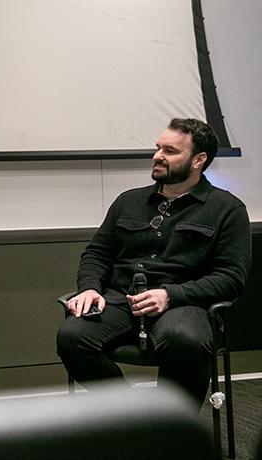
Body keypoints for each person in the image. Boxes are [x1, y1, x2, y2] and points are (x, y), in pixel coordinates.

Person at [56, 118, 251, 406]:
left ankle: (173, 426)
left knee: (185, 340)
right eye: (158, 148)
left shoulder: (227, 209)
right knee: (72, 337)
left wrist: (171, 295)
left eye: (170, 151)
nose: (158, 156)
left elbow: (231, 277)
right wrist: (89, 288)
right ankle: (134, 415)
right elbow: (97, 253)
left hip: (183, 304)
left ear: (198, 160)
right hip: (119, 301)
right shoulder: (128, 201)